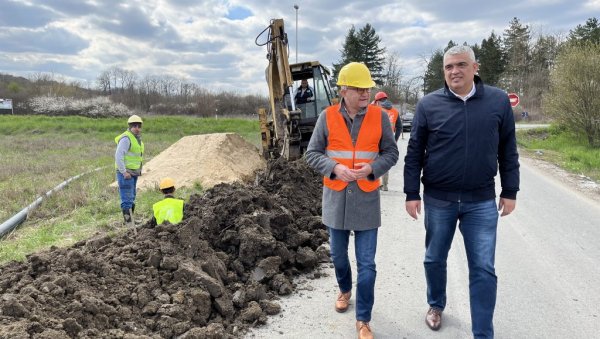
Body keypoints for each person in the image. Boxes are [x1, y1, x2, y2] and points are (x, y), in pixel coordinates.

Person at [403, 45, 520, 339]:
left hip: (480, 200)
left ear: (475, 67)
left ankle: (483, 332)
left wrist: (510, 189)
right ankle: (435, 304)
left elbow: (508, 148)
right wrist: (411, 192)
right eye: (449, 67)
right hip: (438, 199)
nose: (454, 71)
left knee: (483, 268)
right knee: (434, 258)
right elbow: (415, 151)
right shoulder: (428, 105)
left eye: (461, 65)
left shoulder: (497, 101)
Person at [305, 62, 399, 339]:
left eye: (367, 88)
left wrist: (372, 169)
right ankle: (345, 289)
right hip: (336, 198)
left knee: (367, 265)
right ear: (344, 90)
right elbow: (312, 154)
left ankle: (364, 319)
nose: (365, 93)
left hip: (367, 199)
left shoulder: (380, 117)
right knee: (338, 256)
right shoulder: (327, 116)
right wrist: (335, 168)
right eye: (358, 88)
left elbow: (391, 154)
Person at [115, 114, 144, 226]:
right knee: (126, 197)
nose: (137, 128)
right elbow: (118, 155)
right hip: (126, 173)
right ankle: (128, 223)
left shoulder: (137, 139)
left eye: (139, 126)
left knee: (132, 196)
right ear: (130, 126)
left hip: (133, 172)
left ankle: (131, 220)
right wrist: (124, 172)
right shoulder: (126, 138)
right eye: (134, 126)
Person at [372, 91, 402, 191]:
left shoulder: (376, 109)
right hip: (389, 140)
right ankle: (385, 186)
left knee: (374, 161)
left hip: (376, 139)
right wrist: (395, 140)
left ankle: (375, 184)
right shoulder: (394, 111)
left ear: (377, 101)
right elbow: (399, 127)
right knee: (385, 162)